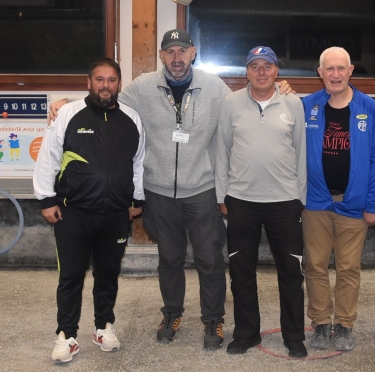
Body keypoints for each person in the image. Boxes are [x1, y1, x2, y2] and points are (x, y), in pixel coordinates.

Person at [49, 29, 292, 350]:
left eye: (182, 51)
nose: (177, 58)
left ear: (193, 52)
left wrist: (279, 87)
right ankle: (171, 314)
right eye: (170, 52)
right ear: (162, 56)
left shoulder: (214, 88)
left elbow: (245, 101)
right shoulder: (143, 87)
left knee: (210, 259)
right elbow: (104, 97)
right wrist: (66, 102)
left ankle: (214, 319)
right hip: (160, 191)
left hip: (203, 188)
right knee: (170, 259)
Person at [33, 58, 145, 363]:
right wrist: (46, 200)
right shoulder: (68, 114)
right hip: (73, 214)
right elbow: (49, 158)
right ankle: (66, 335)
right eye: (99, 79)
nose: (105, 86)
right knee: (71, 276)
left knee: (108, 274)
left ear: (119, 84)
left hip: (115, 215)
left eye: (111, 80)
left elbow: (137, 163)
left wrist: (136, 200)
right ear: (89, 82)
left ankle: (103, 327)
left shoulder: (132, 118)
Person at [216, 47, 307, 358]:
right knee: (241, 271)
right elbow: (222, 151)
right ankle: (245, 334)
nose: (261, 71)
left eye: (267, 66)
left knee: (292, 273)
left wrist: (301, 197)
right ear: (247, 73)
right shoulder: (231, 103)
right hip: (241, 200)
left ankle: (294, 336)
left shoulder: (293, 103)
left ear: (276, 71)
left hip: (285, 201)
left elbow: (301, 152)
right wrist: (221, 194)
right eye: (254, 66)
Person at [302, 46, 375, 351]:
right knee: (315, 265)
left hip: (354, 204)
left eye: (341, 68)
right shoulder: (306, 106)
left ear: (351, 71)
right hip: (315, 203)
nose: (335, 74)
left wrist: (373, 203)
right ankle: (322, 324)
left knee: (349, 268)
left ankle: (345, 324)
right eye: (329, 69)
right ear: (320, 72)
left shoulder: (370, 108)